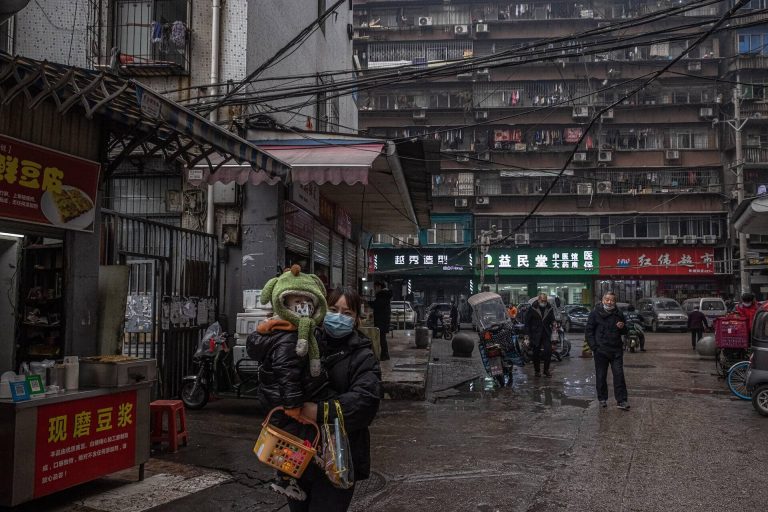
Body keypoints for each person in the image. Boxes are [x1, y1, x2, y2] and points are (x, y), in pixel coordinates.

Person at [290, 287, 382, 512]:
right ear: (322, 312)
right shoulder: (303, 345)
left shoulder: (363, 356)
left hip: (339, 457)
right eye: (333, 309)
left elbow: (365, 402)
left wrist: (319, 411)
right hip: (296, 453)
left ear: (357, 320)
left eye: (347, 313)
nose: (339, 317)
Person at [245, 265, 328, 501]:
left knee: (287, 438)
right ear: (283, 304)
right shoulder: (290, 337)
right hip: (284, 401)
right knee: (291, 441)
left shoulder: (280, 329)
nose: (304, 307)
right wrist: (293, 403)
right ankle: (286, 480)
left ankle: (287, 478)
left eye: (308, 302)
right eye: (297, 302)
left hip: (275, 397)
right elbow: (287, 372)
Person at [586, 292, 630, 410]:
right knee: (601, 375)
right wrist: (594, 347)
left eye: (612, 300)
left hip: (616, 350)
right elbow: (589, 331)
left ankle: (621, 401)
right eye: (607, 300)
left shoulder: (619, 313)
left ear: (615, 302)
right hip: (601, 350)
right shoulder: (595, 313)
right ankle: (602, 399)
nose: (609, 302)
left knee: (619, 375)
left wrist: (623, 327)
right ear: (602, 300)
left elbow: (625, 331)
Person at [524, 292, 556, 377]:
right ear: (538, 300)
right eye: (542, 300)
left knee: (548, 351)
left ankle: (546, 370)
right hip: (535, 334)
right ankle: (537, 371)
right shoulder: (532, 308)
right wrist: (527, 336)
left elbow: (552, 319)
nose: (544, 302)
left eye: (545, 301)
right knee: (536, 353)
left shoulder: (549, 308)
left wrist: (554, 323)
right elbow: (527, 322)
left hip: (546, 333)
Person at [368, 281, 392, 361]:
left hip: (382, 320)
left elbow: (377, 305)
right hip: (383, 319)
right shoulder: (384, 295)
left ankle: (384, 355)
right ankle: (384, 355)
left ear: (379, 287)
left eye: (375, 288)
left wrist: (368, 302)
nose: (374, 289)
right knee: (382, 338)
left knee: (382, 338)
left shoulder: (383, 295)